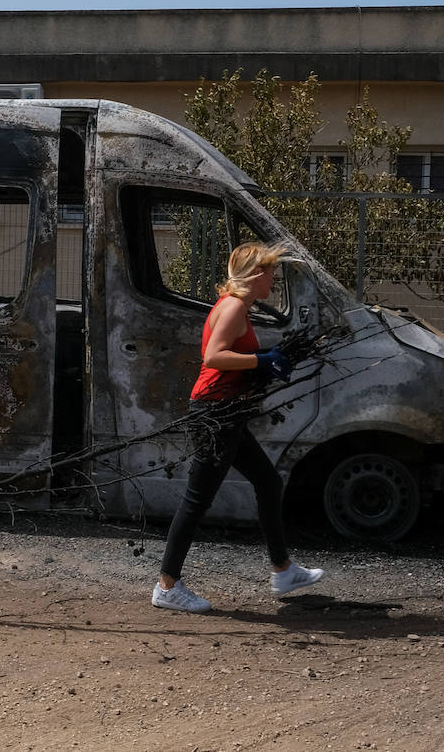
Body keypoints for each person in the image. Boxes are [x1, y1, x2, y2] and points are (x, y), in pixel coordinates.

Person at [151, 242, 324, 614]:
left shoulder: (238, 307)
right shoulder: (232, 307)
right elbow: (213, 356)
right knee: (197, 500)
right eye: (270, 272)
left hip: (225, 410)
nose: (273, 279)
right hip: (214, 412)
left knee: (267, 481)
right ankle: (167, 585)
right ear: (256, 274)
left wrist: (265, 360)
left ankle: (283, 570)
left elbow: (231, 357)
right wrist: (261, 361)